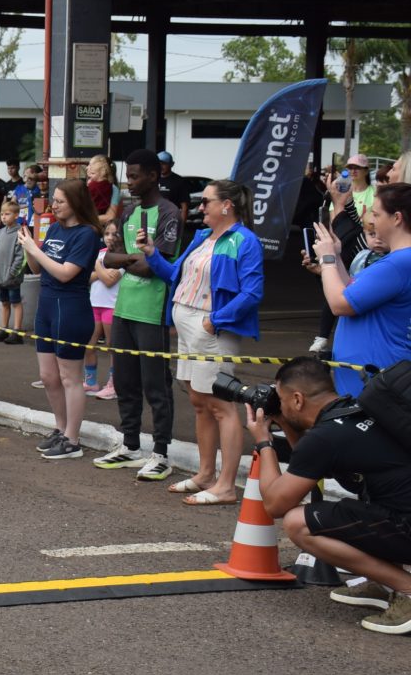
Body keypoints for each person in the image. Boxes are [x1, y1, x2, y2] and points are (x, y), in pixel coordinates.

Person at [244, 357, 411, 634]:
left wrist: (264, 442)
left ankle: (406, 589)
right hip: (400, 515)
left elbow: (274, 504)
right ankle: (384, 585)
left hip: (405, 524)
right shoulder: (359, 410)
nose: (279, 406)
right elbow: (312, 462)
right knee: (360, 506)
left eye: (281, 400)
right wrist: (287, 424)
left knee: (298, 523)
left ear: (297, 399)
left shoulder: (325, 437)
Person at [138, 179, 265, 504]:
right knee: (199, 403)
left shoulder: (244, 241)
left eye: (206, 201)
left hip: (211, 329)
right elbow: (174, 275)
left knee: (221, 406)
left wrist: (214, 320)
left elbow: (253, 292)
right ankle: (206, 474)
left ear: (227, 205)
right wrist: (151, 253)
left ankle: (225, 485)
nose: (200, 207)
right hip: (190, 326)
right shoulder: (202, 237)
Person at [93, 148, 182, 481]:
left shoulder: (169, 212)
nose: (129, 182)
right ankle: (130, 445)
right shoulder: (129, 212)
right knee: (125, 381)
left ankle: (161, 454)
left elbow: (154, 267)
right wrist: (135, 258)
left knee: (156, 386)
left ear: (153, 176)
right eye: (127, 176)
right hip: (124, 308)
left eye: (134, 176)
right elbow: (108, 258)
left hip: (152, 312)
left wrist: (129, 260)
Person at [19, 178, 103, 461]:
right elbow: (37, 268)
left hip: (70, 307)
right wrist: (28, 246)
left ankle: (72, 439)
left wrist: (35, 250)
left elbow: (66, 273)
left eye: (59, 201)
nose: (53, 205)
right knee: (48, 376)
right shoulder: (54, 228)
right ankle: (60, 427)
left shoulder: (87, 234)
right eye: (53, 200)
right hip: (46, 304)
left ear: (76, 203)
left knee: (70, 377)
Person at [315, 183, 411, 396]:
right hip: (374, 378)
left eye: (376, 214)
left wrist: (327, 259)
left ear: (396, 218)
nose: (372, 220)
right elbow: (350, 290)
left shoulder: (397, 264)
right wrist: (336, 256)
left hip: (375, 383)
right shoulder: (397, 261)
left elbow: (340, 304)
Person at [85, 220, 122, 398]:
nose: (110, 237)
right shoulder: (100, 253)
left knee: (111, 346)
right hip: (94, 305)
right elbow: (87, 278)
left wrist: (96, 265)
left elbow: (109, 280)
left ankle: (114, 385)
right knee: (88, 344)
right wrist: (102, 271)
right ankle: (90, 382)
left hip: (112, 306)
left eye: (115, 234)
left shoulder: (123, 256)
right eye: (107, 233)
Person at [0, 198, 27, 343]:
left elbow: (21, 256)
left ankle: (17, 331)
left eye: (7, 214)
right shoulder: (0, 232)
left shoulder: (20, 232)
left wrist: (12, 273)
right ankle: (4, 329)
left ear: (16, 215)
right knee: (4, 302)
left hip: (12, 276)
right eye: (2, 214)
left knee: (16, 302)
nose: (3, 217)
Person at [155, 151, 190, 227]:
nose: (161, 166)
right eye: (158, 164)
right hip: (153, 220)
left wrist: (181, 227)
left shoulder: (180, 181)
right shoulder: (152, 179)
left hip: (171, 221)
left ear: (172, 164)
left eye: (164, 164)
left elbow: (185, 207)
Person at [340, 154, 375, 220]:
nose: (353, 171)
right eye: (350, 168)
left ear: (366, 171)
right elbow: (334, 218)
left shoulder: (376, 193)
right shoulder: (341, 191)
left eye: (357, 168)